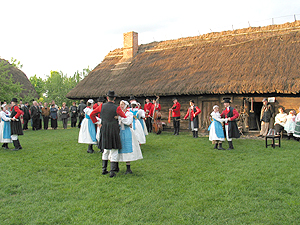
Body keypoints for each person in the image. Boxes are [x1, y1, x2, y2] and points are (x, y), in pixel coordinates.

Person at [90, 90, 127, 178]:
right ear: (114, 98)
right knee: (114, 150)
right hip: (114, 129)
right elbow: (124, 116)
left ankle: (104, 170)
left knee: (105, 150)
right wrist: (118, 117)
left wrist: (97, 122)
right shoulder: (117, 108)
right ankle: (112, 171)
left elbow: (92, 114)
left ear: (107, 98)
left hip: (104, 129)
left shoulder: (101, 106)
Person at [117, 100, 143, 174]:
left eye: (123, 104)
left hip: (127, 132)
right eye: (120, 104)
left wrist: (121, 118)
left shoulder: (129, 113)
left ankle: (128, 168)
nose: (121, 106)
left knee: (128, 148)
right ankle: (116, 166)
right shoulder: (118, 113)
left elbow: (128, 122)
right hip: (119, 132)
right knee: (118, 148)